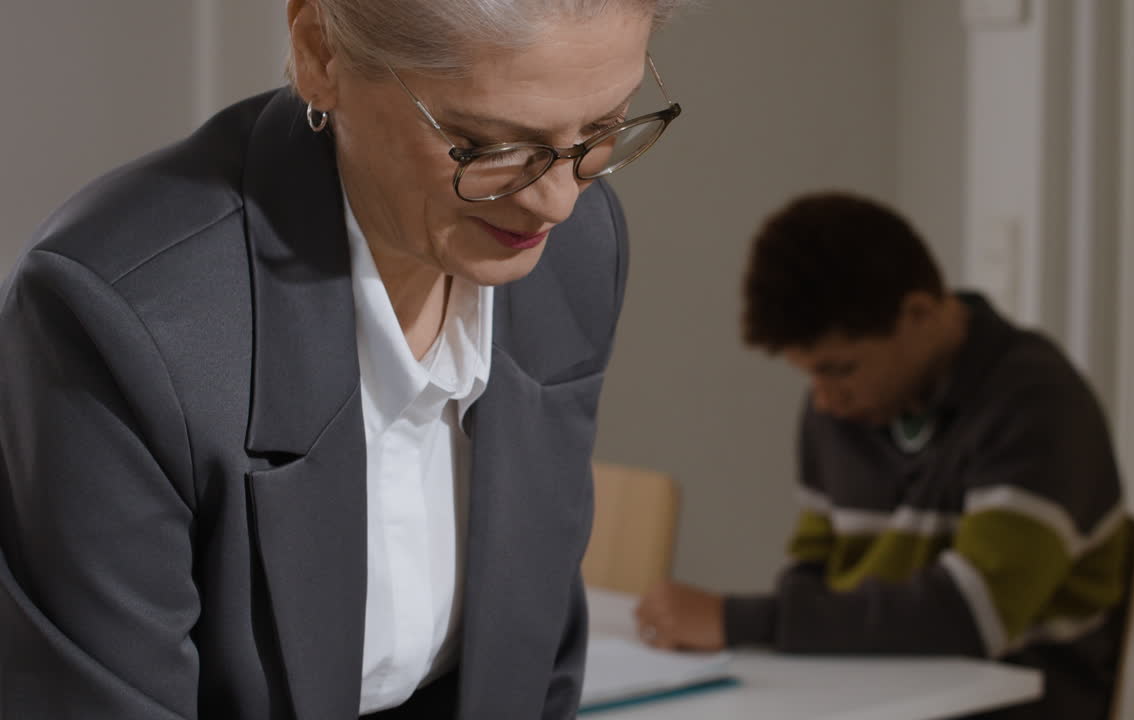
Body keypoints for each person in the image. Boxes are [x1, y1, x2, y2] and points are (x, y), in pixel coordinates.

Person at [0, 0, 687, 717]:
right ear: (320, 53)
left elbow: (534, 668)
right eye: (490, 144)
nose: (557, 203)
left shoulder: (575, 252)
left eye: (603, 129)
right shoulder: (119, 318)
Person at [635, 192, 1134, 720]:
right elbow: (813, 564)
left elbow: (971, 618)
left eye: (840, 369)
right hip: (873, 693)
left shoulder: (1037, 404)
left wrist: (738, 622)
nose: (824, 399)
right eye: (810, 374)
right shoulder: (843, 408)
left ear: (918, 313)